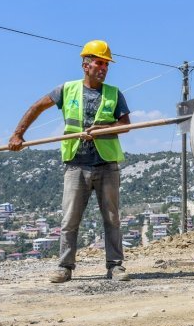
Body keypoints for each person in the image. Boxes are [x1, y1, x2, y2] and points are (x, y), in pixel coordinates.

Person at [8, 40, 131, 283]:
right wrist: (18, 134)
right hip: (76, 163)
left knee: (112, 218)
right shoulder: (67, 89)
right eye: (99, 63)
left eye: (106, 64)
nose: (104, 68)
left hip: (107, 165)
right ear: (86, 65)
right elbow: (37, 107)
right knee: (70, 219)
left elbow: (125, 125)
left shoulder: (114, 94)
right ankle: (65, 267)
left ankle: (115, 266)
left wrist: (103, 129)